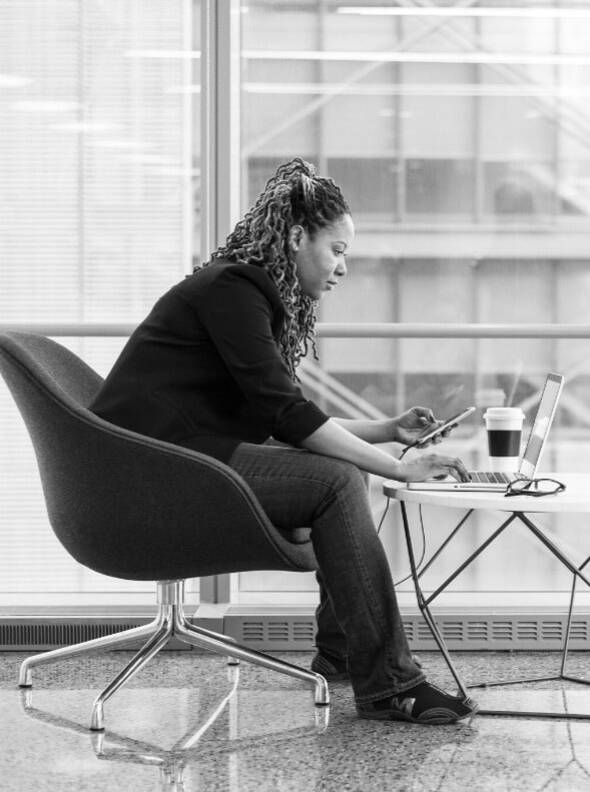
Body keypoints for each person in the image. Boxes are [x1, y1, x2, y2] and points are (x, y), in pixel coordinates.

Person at [90, 157, 477, 724]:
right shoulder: (233, 289)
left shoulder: (243, 290)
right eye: (337, 250)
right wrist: (399, 467)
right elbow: (289, 416)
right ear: (297, 237)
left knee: (345, 468)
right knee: (338, 477)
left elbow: (285, 416)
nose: (343, 267)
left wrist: (388, 433)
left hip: (174, 459)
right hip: (146, 473)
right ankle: (390, 683)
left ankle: (343, 655)